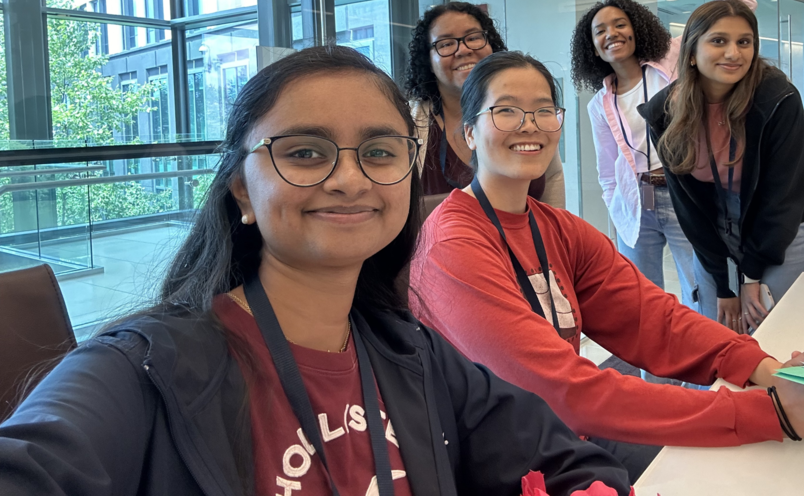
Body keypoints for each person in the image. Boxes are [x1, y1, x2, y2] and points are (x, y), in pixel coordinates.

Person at [0, 46, 631, 496]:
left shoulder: (412, 354)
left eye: (379, 151)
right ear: (241, 191)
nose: (350, 178)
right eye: (304, 152)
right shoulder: (140, 372)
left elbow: (567, 461)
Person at [410, 51, 804, 483]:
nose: (528, 125)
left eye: (543, 110)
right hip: (499, 466)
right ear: (469, 132)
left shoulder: (557, 228)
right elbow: (563, 392)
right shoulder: (453, 244)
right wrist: (773, 414)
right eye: (506, 110)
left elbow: (654, 320)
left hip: (566, 436)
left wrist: (771, 372)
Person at [570, 0, 756, 306]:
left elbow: (742, 5)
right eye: (600, 31)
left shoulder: (672, 58)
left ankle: (706, 345)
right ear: (592, 46)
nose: (611, 34)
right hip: (636, 204)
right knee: (644, 302)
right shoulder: (599, 103)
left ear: (636, 29)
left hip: (685, 191)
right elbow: (607, 171)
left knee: (703, 291)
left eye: (620, 24)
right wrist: (617, 210)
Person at [642, 0, 804, 334]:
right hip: (716, 223)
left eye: (744, 42)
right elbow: (690, 209)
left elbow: (783, 197)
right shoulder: (665, 112)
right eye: (719, 41)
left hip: (780, 226)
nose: (734, 53)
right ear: (691, 53)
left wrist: (750, 277)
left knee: (775, 330)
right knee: (719, 330)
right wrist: (725, 285)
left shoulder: (777, 98)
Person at [405, 1, 564, 211]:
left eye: (473, 38)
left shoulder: (529, 115)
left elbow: (552, 179)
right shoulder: (407, 124)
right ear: (427, 61)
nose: (463, 50)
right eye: (446, 44)